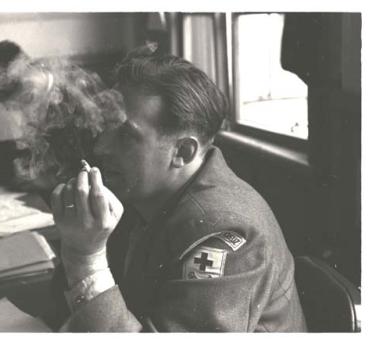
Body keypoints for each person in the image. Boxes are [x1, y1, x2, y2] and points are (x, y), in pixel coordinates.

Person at [47, 46, 307, 332]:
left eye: (126, 135)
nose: (101, 146)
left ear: (182, 152)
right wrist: (77, 246)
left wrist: (85, 259)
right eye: (106, 127)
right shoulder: (140, 193)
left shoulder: (225, 230)